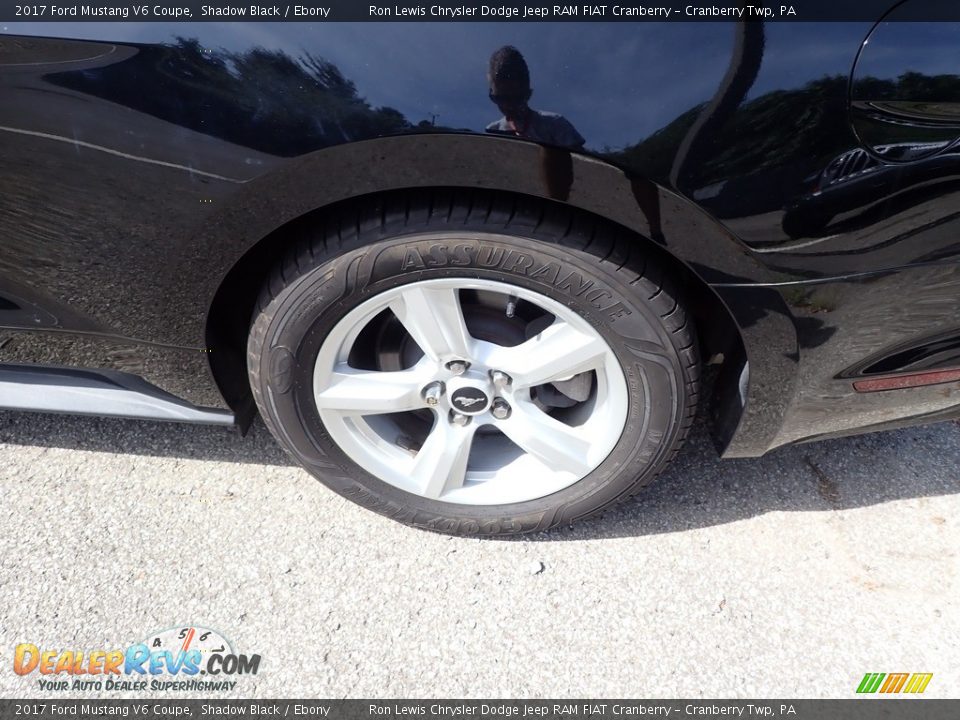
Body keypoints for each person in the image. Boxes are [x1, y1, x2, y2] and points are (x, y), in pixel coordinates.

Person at [485, 46, 585, 150]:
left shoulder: (555, 124)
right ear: (492, 96)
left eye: (516, 98)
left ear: (528, 94)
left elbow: (582, 162)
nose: (508, 106)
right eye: (500, 98)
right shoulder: (492, 133)